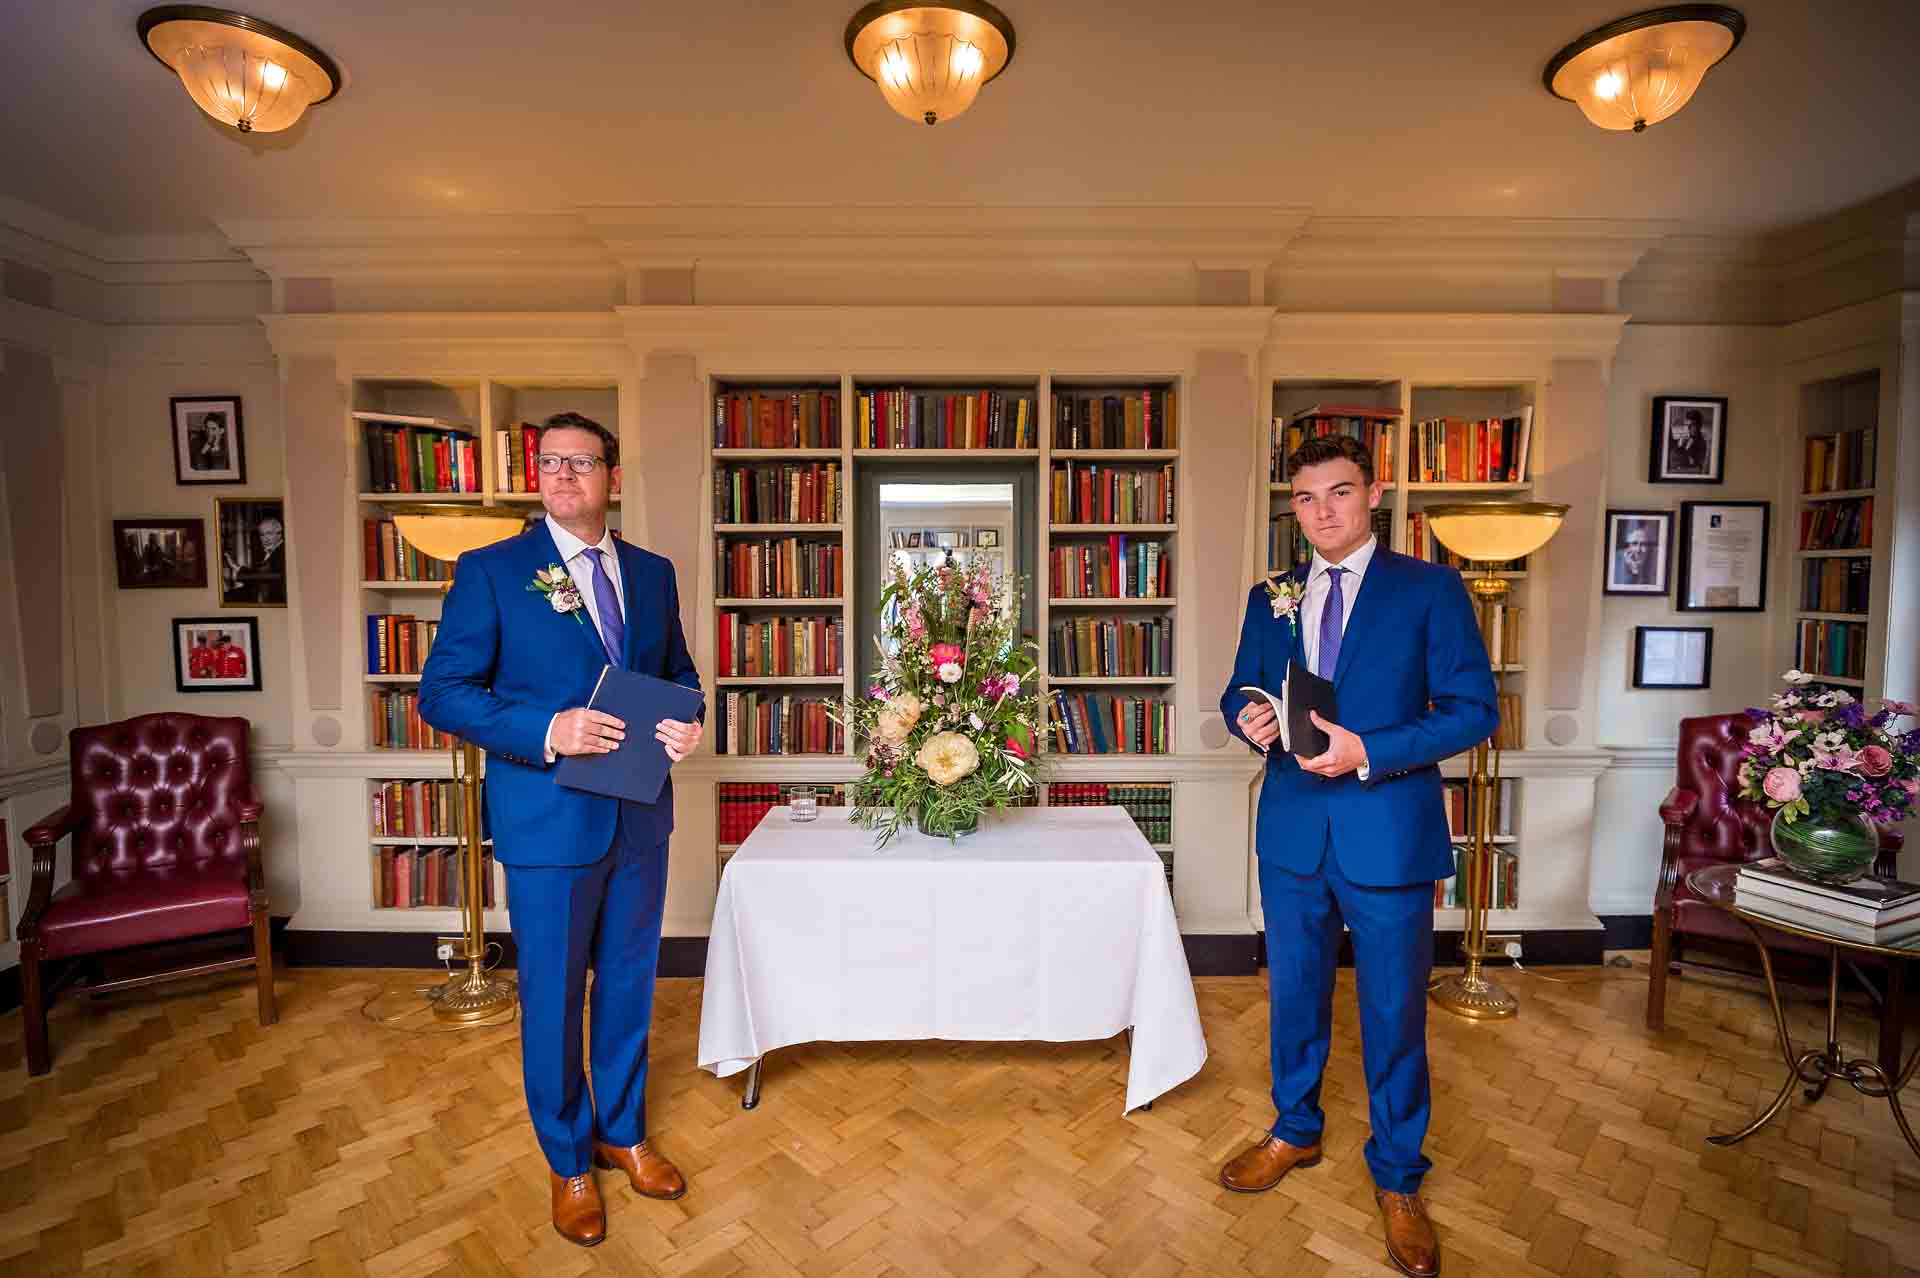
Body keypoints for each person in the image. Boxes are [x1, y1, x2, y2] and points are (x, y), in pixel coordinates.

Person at [418, 411, 702, 1248]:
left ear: (613, 475)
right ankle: (569, 1159)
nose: (564, 474)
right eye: (550, 462)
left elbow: (678, 674)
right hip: (548, 823)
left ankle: (623, 1132)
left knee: (627, 987)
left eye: (582, 462)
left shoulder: (652, 573)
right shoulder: (493, 571)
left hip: (641, 819)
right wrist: (551, 730)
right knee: (551, 1000)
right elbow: (445, 692)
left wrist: (687, 723)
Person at [1217, 434, 1497, 1278]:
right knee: (1295, 993)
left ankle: (1400, 1176)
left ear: (1372, 495)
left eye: (1339, 493)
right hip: (1295, 828)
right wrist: (1247, 718)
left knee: (1394, 1012)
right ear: (1293, 506)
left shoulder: (1431, 588)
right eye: (1305, 499)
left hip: (1388, 828)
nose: (1323, 513)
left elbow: (1471, 710)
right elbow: (1240, 687)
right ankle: (1294, 1130)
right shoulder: (1274, 595)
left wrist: (1368, 749)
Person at [1666, 407, 1709, 475]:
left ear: (1699, 425)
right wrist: (1679, 446)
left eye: (1692, 425)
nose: (1688, 428)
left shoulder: (1702, 443)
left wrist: (1683, 449)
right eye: (1687, 425)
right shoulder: (1683, 438)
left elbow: (1698, 468)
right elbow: (1671, 459)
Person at [1614, 521, 1658, 587]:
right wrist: (1632, 571)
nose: (1638, 549)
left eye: (1643, 544)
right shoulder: (1616, 563)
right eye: (1634, 543)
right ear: (1627, 546)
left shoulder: (1655, 564)